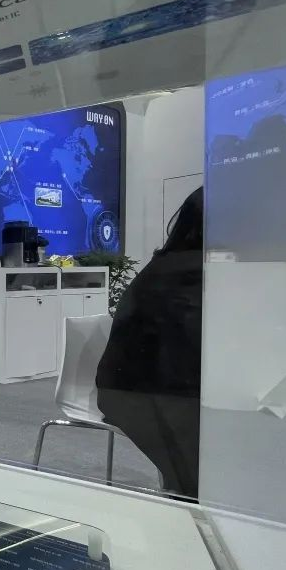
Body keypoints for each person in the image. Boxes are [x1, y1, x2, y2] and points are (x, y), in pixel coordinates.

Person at [96, 186, 203, 498]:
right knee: (205, 479)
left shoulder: (174, 265)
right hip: (143, 395)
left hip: (149, 388)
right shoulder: (187, 273)